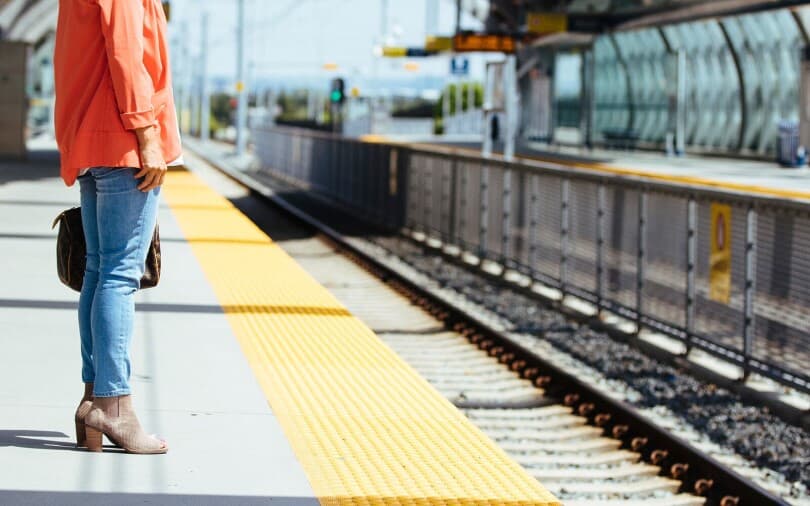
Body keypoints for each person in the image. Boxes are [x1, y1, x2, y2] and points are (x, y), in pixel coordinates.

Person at [54, 0, 182, 454]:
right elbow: (128, 54)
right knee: (120, 274)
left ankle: (94, 398)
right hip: (123, 142)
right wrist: (147, 134)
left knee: (99, 271)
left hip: (92, 139)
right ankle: (115, 407)